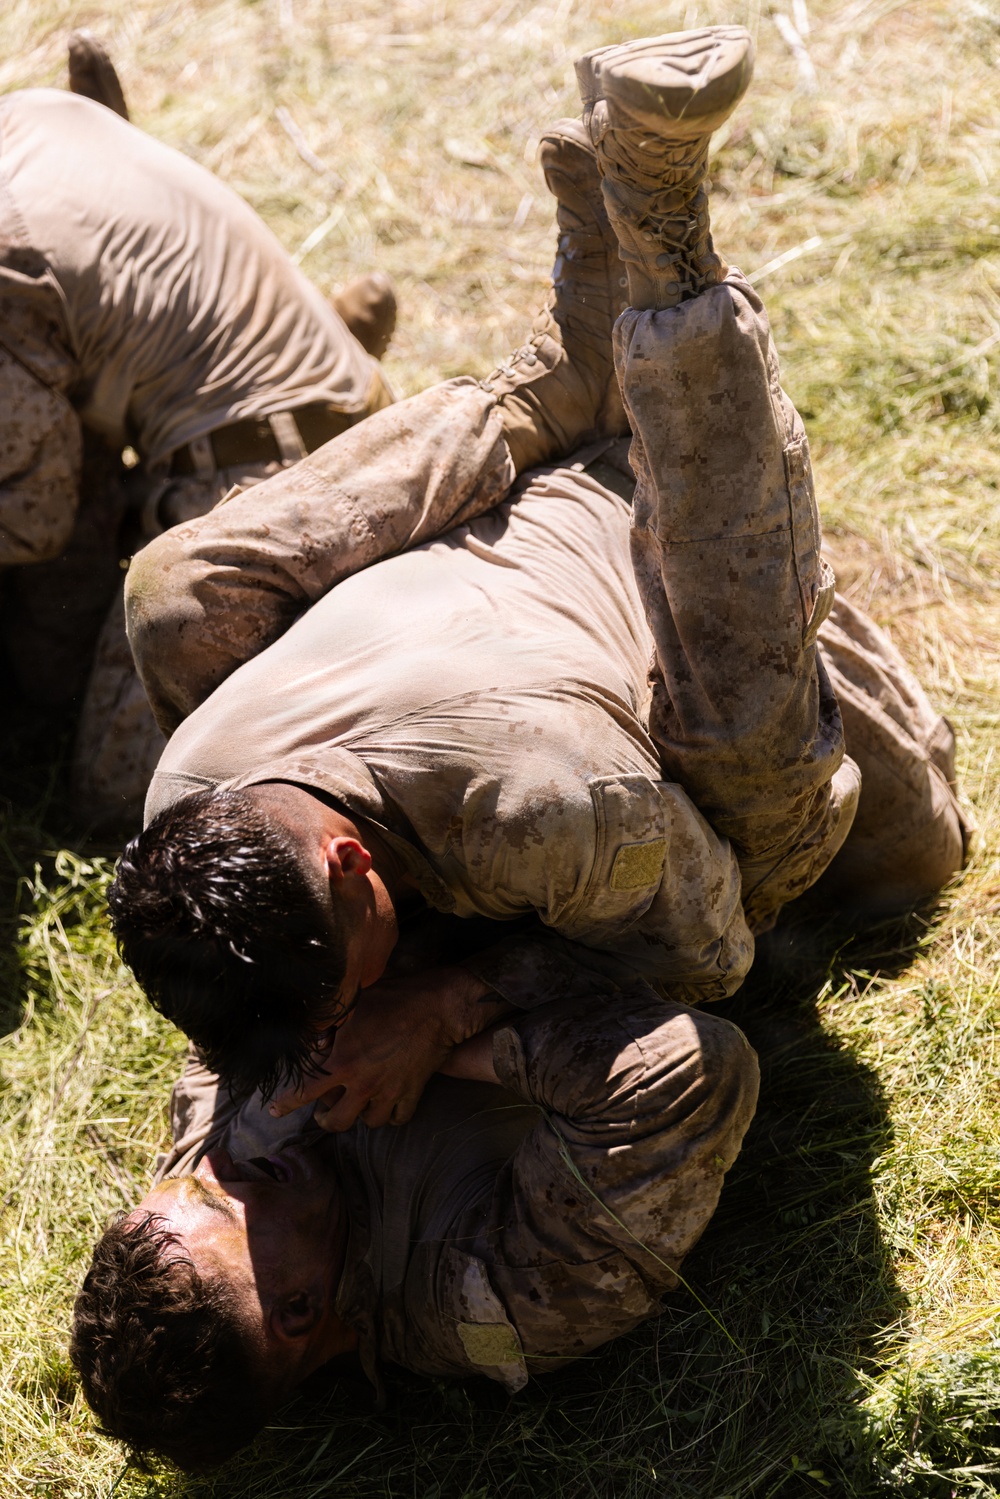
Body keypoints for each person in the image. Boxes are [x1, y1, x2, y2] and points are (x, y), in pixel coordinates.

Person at [73, 25, 967, 1469]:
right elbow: (701, 1039)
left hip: (515, 690)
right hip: (642, 628)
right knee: (843, 841)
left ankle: (589, 339)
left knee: (176, 597)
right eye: (240, 1207)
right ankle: (656, 314)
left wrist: (425, 1007)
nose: (229, 1156)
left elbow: (243, 1039)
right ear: (300, 1314)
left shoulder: (236, 1101)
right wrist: (453, 1016)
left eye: (194, 1182)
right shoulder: (491, 1299)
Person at [0, 36, 397, 823]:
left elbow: (35, 518)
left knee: (119, 796)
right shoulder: (29, 117)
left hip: (267, 485)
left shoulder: (7, 263)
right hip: (332, 404)